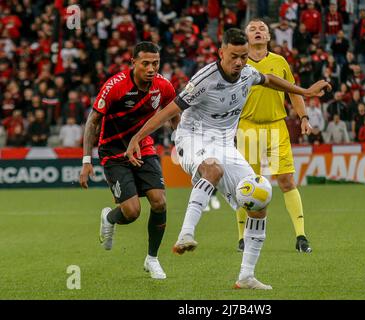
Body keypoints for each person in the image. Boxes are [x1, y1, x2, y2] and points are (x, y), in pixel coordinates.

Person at [125, 29, 330, 289]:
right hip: (193, 137)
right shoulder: (204, 80)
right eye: (234, 56)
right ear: (221, 53)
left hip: (224, 142)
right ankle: (186, 234)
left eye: (243, 57)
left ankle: (246, 275)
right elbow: (168, 112)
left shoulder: (247, 73)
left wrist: (306, 92)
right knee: (213, 170)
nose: (239, 62)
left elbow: (269, 79)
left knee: (260, 196)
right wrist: (136, 139)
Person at [79, 42, 180, 280]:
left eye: (155, 63)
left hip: (143, 147)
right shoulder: (115, 86)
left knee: (159, 202)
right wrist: (86, 160)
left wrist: (183, 141)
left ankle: (152, 259)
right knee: (132, 212)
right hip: (113, 152)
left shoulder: (163, 86)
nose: (151, 68)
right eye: (145, 63)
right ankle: (110, 217)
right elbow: (93, 121)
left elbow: (174, 113)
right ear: (133, 62)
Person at [236, 19, 313, 254]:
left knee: (287, 181)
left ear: (269, 37)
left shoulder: (279, 62)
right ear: (246, 37)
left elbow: (293, 92)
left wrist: (303, 117)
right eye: (252, 29)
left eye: (262, 29)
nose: (257, 31)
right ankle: (242, 238)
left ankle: (301, 236)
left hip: (276, 127)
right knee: (246, 185)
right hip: (247, 128)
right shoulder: (238, 63)